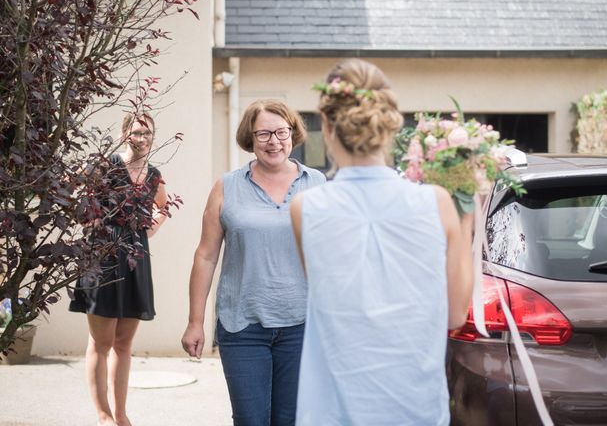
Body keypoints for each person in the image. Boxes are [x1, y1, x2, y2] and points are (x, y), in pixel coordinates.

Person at [290, 59, 474, 425]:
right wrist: (467, 212)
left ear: (326, 126)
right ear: (389, 124)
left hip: (332, 412)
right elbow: (455, 315)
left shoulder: (305, 208)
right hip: (414, 410)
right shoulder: (437, 203)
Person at [181, 99, 325, 426]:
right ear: (250, 137)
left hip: (301, 325)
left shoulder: (316, 184)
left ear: (293, 134)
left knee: (291, 420)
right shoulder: (227, 187)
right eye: (263, 134)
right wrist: (195, 321)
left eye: (281, 132)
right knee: (250, 420)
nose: (273, 141)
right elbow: (205, 255)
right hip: (242, 324)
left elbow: (331, 256)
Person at [69, 113, 168, 426]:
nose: (141, 137)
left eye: (146, 132)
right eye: (136, 132)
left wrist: (146, 231)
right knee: (101, 342)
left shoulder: (154, 175)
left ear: (153, 137)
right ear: (125, 134)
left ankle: (121, 413)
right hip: (103, 258)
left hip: (136, 261)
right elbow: (77, 200)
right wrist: (97, 228)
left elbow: (163, 208)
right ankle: (103, 415)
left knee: (124, 344)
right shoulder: (105, 166)